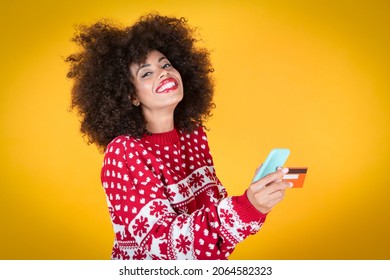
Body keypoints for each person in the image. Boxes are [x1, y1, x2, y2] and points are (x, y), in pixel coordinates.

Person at [66, 13, 292, 260]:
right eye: (146, 73)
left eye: (165, 65)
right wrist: (247, 206)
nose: (163, 73)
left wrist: (257, 202)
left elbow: (217, 239)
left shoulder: (193, 136)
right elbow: (162, 244)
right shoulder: (124, 152)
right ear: (130, 96)